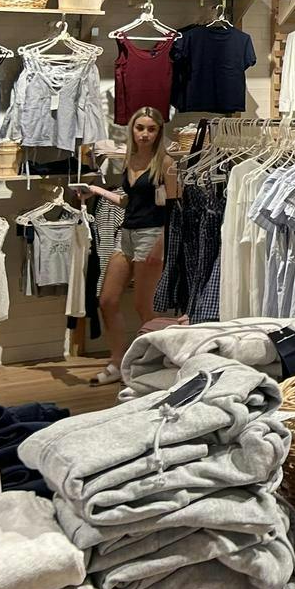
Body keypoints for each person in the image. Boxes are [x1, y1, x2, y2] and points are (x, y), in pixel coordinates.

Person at [79, 105, 179, 383]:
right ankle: (118, 361)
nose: (145, 134)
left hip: (152, 234)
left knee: (144, 307)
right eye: (140, 128)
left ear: (159, 132)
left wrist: (161, 245)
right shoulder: (129, 160)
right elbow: (128, 201)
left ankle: (156, 364)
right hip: (127, 234)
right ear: (132, 129)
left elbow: (173, 208)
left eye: (151, 129)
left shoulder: (167, 163)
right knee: (107, 299)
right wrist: (96, 190)